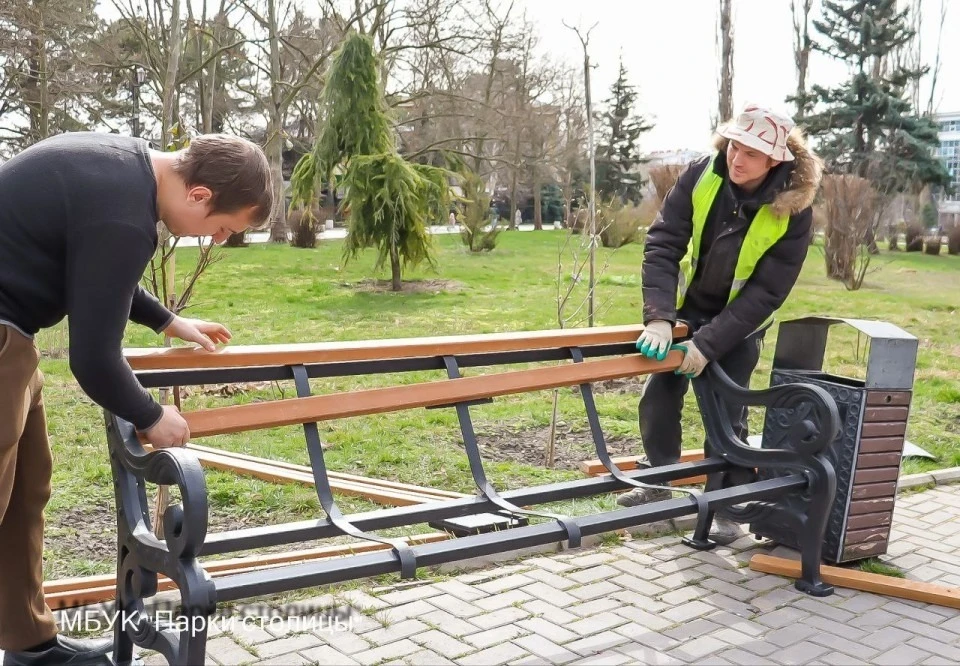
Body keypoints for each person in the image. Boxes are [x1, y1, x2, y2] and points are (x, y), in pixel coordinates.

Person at [0, 132, 272, 665]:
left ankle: (28, 646)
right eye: (222, 228)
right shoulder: (124, 215)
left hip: (13, 336)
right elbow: (94, 361)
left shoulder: (121, 167)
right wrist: (152, 416)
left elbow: (98, 270)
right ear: (198, 195)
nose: (216, 241)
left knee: (24, 495)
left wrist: (168, 320)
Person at [621, 103, 823, 544]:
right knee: (658, 394)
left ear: (775, 160)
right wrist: (659, 319)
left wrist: (708, 346)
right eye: (735, 145)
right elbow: (663, 244)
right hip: (689, 310)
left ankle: (727, 507)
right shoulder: (701, 174)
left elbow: (767, 292)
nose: (737, 158)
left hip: (741, 322)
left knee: (728, 412)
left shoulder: (793, 210)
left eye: (751, 152)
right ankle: (658, 482)